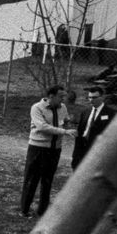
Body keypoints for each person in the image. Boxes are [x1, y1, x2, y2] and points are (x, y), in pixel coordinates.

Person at [20, 86, 73, 218]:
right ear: (51, 96)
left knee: (48, 180)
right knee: (32, 179)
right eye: (60, 96)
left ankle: (42, 211)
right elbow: (42, 127)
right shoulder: (37, 107)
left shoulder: (63, 107)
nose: (63, 99)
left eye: (64, 96)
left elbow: (65, 120)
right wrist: (64, 132)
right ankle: (24, 210)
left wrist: (67, 124)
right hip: (38, 148)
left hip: (55, 149)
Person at [71, 83, 117, 170]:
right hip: (82, 150)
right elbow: (80, 132)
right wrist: (75, 155)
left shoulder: (111, 113)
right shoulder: (85, 112)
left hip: (97, 151)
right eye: (90, 97)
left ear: (102, 97)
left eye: (94, 97)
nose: (91, 100)